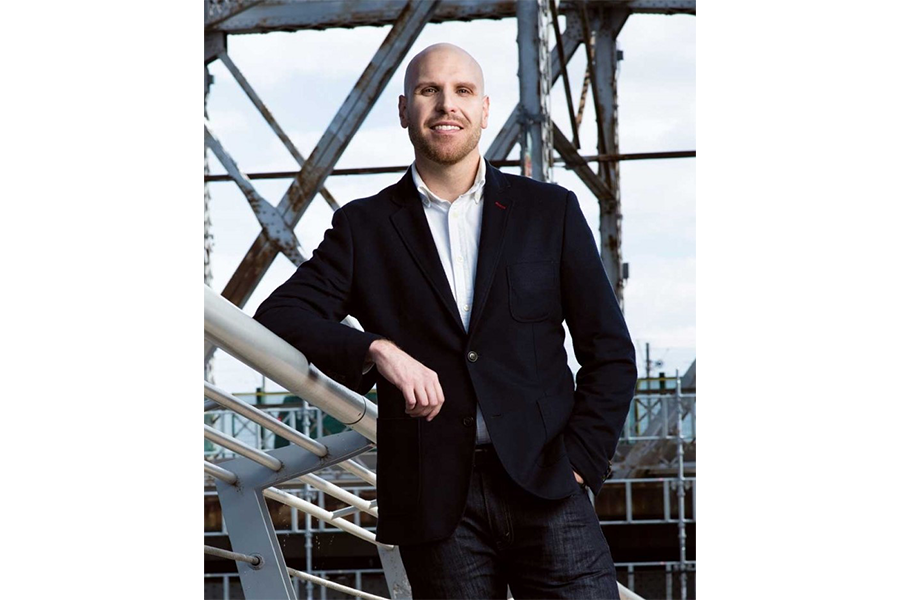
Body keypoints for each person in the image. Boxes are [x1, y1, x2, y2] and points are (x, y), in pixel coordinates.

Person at [253, 42, 638, 600]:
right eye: (430, 91)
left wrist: (581, 463)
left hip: (548, 485)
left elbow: (610, 350)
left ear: (484, 109)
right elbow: (281, 313)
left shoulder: (548, 212)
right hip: (435, 503)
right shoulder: (365, 227)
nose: (445, 106)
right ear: (405, 109)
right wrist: (376, 349)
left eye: (462, 91)